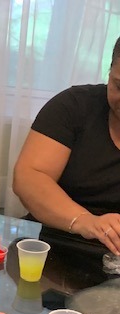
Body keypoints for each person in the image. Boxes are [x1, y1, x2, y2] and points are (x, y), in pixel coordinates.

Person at [13, 36, 120, 257]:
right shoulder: (74, 106)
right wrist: (85, 221)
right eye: (119, 85)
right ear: (109, 73)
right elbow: (28, 177)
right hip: (52, 246)